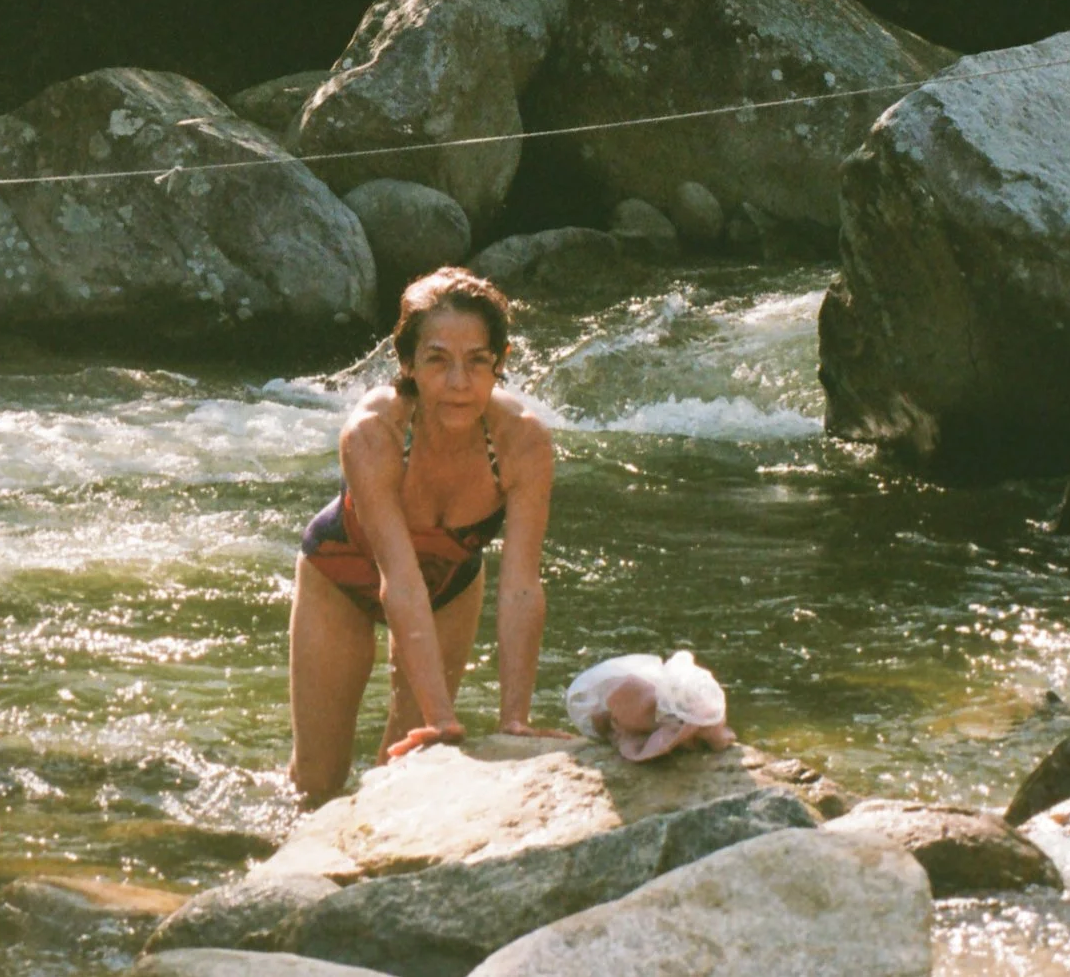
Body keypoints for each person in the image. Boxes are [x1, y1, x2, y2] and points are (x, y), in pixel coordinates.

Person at [288, 267, 564, 804]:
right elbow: (400, 581)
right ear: (408, 364)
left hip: (449, 586)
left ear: (500, 363)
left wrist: (515, 720)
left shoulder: (523, 442)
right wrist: (442, 716)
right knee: (317, 782)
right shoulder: (375, 433)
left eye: (477, 361)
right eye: (438, 360)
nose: (459, 382)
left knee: (408, 766)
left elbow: (522, 587)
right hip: (342, 573)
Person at [564, 651, 738, 761]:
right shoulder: (639, 701)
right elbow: (604, 723)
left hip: (605, 692)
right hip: (589, 698)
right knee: (634, 706)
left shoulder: (657, 697)